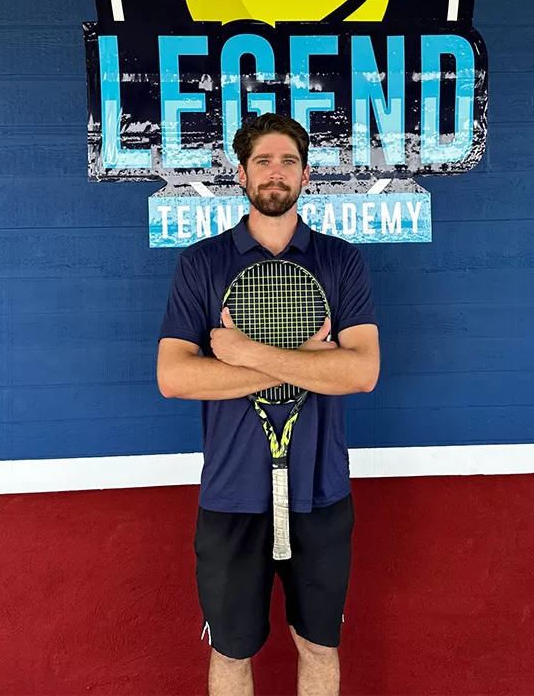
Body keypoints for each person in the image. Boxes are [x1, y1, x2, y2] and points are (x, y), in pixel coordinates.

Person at [156, 113, 380, 696]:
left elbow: (361, 372)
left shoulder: (341, 261)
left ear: (305, 175)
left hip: (320, 492)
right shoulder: (201, 264)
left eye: (288, 161)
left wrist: (244, 353)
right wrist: (308, 362)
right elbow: (174, 378)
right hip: (231, 495)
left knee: (319, 646)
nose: (275, 172)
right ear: (242, 174)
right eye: (262, 161)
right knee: (231, 654)